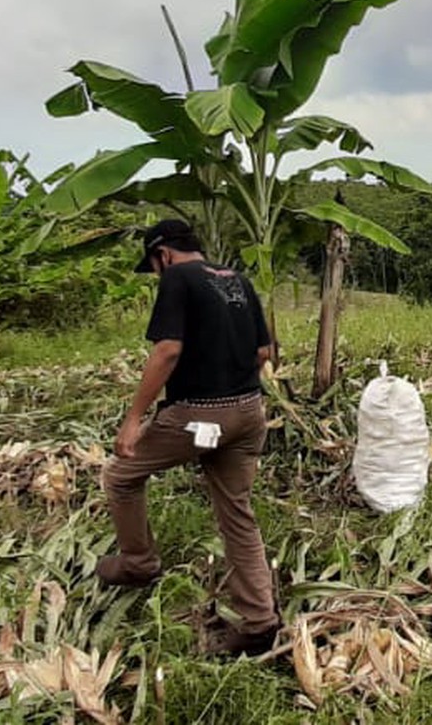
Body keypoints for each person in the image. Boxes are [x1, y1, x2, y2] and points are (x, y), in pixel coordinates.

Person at [97, 219, 281, 657]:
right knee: (237, 512)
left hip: (198, 417)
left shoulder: (177, 278)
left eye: (155, 265)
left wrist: (134, 419)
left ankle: (138, 564)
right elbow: (263, 352)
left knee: (121, 475)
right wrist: (234, 393)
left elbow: (168, 350)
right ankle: (259, 621)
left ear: (163, 255)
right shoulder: (238, 278)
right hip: (250, 411)